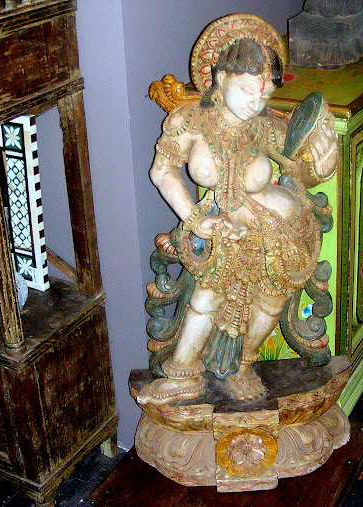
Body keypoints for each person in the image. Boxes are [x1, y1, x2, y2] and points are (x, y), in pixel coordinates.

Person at [137, 14, 338, 405]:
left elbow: (302, 171)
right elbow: (163, 171)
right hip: (217, 223)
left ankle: (244, 365)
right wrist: (194, 219)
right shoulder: (191, 119)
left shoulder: (264, 125)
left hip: (278, 226)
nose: (255, 103)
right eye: (247, 90)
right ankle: (183, 372)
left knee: (272, 298)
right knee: (207, 296)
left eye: (265, 95)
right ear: (220, 77)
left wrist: (324, 160)